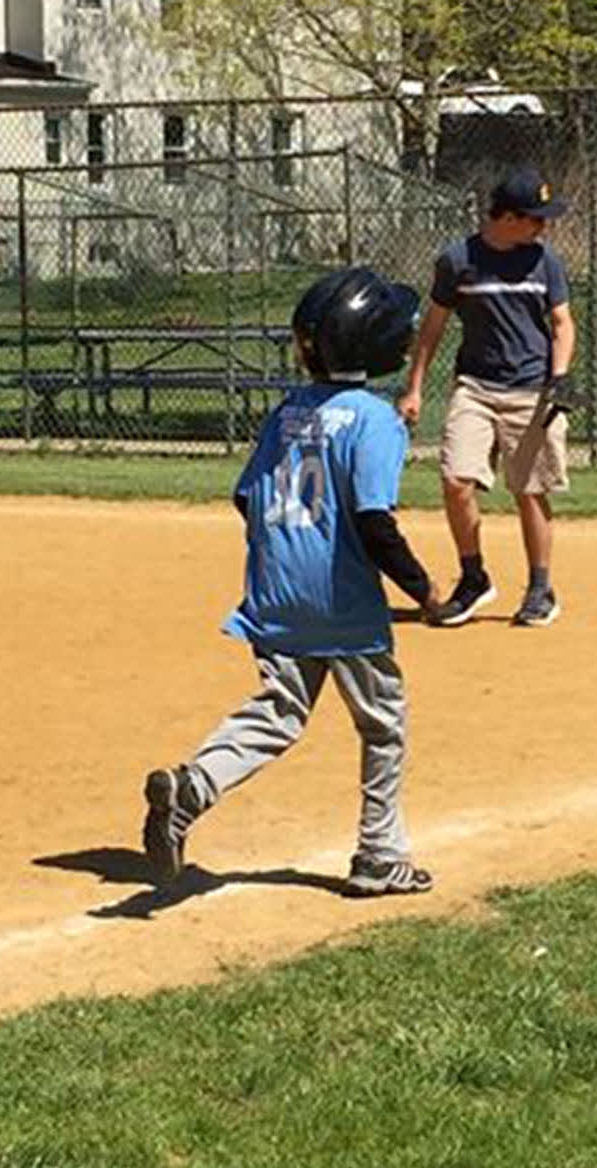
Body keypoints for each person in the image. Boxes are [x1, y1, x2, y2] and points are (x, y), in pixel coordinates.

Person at [143, 268, 441, 897]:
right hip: (342, 603)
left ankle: (192, 788)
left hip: (276, 591)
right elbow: (372, 522)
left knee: (280, 711)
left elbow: (246, 497)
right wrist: (424, 590)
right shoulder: (374, 419)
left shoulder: (286, 413)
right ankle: (380, 855)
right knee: (382, 724)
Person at [397, 165, 575, 628]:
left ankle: (540, 588)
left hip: (532, 389)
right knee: (456, 481)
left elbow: (562, 324)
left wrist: (559, 376)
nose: (544, 226)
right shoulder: (458, 261)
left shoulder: (544, 262)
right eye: (537, 218)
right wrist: (414, 387)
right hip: (475, 386)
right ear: (509, 217)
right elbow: (433, 327)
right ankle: (473, 577)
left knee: (530, 491)